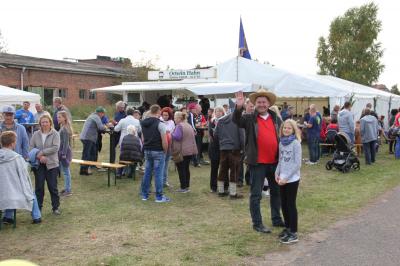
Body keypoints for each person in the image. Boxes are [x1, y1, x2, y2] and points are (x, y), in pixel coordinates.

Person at [233, 88, 284, 233]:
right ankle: (257, 223)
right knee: (256, 195)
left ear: (268, 104)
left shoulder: (275, 118)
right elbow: (236, 120)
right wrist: (238, 106)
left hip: (275, 162)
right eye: (259, 102)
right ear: (255, 104)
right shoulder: (249, 118)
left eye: (264, 102)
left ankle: (276, 219)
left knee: (276, 193)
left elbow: (284, 135)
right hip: (257, 163)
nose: (261, 104)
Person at [0, 131, 42, 225]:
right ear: (12, 144)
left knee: (8, 188)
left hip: (2, 192)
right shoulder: (17, 158)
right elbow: (24, 177)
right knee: (30, 191)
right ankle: (37, 217)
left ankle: (8, 216)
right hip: (13, 193)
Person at [275, 119, 302, 244]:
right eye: (284, 128)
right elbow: (280, 160)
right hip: (282, 178)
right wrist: (277, 173)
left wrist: (287, 178)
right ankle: (287, 227)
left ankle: (294, 232)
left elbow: (297, 164)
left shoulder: (296, 143)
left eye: (289, 128)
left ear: (293, 130)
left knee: (291, 204)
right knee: (284, 204)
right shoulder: (281, 143)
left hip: (292, 179)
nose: (286, 130)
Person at [30, 114, 61, 214]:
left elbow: (55, 147)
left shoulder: (55, 134)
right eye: (42, 122)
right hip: (38, 164)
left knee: (53, 187)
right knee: (39, 187)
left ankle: (55, 208)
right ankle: (38, 208)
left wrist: (42, 152)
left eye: (46, 122)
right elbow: (31, 148)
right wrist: (39, 156)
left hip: (52, 164)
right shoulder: (35, 134)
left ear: (50, 122)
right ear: (40, 123)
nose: (44, 124)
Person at [140, 104, 170, 202]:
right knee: (158, 174)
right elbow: (164, 140)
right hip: (158, 151)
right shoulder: (160, 124)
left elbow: (143, 139)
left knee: (147, 173)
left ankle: (144, 195)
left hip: (147, 150)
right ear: (158, 112)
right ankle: (159, 197)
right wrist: (165, 151)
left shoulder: (143, 123)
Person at [214, 112, 245, 199]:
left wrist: (221, 144)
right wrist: (243, 149)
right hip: (235, 149)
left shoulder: (221, 120)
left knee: (222, 169)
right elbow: (242, 136)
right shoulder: (238, 120)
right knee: (234, 170)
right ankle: (233, 193)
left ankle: (221, 191)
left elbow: (215, 135)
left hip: (223, 148)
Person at [171, 111, 198, 193]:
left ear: (179, 118)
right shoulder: (188, 125)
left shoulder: (179, 126)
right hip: (190, 150)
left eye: (175, 118)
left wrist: (170, 134)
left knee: (181, 169)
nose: (174, 119)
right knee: (186, 168)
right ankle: (187, 186)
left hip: (182, 151)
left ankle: (183, 187)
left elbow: (177, 137)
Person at [79, 107, 106, 175]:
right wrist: (106, 126)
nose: (103, 115)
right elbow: (101, 127)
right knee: (87, 154)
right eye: (103, 113)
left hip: (86, 137)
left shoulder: (92, 116)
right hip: (88, 137)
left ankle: (87, 168)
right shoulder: (96, 117)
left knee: (90, 153)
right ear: (100, 113)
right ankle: (84, 170)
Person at [208, 107, 225, 193]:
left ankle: (225, 186)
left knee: (224, 168)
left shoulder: (226, 121)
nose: (218, 113)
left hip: (223, 148)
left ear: (223, 112)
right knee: (214, 168)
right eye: (216, 111)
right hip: (214, 147)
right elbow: (211, 134)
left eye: (219, 111)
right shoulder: (212, 121)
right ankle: (213, 187)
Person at [57, 111, 73, 197]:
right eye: (57, 117)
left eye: (59, 117)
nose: (58, 118)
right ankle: (67, 188)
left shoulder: (65, 128)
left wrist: (63, 154)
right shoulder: (62, 127)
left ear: (64, 118)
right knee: (65, 171)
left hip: (65, 152)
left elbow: (66, 143)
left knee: (66, 172)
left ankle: (68, 190)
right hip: (62, 151)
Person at [160, 107, 175, 187]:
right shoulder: (159, 121)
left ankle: (165, 181)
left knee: (166, 164)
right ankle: (161, 181)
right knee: (161, 164)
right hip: (162, 145)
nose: (165, 116)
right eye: (163, 115)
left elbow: (173, 132)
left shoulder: (171, 122)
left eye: (166, 115)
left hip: (169, 145)